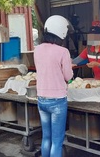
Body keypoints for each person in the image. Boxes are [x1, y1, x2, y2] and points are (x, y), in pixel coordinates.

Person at [34, 15, 74, 157]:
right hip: (57, 102)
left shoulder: (37, 49)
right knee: (57, 141)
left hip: (41, 99)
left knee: (46, 138)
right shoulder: (63, 52)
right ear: (62, 33)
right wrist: (69, 81)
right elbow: (68, 76)